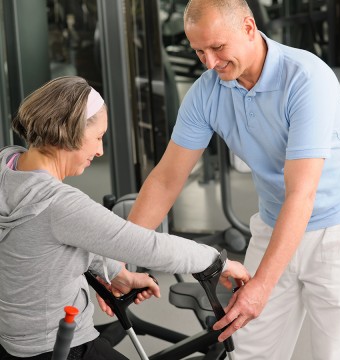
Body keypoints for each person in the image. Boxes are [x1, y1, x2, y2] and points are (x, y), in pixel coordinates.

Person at [127, 0, 340, 359]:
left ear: (249, 28)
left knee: (335, 353)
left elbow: (302, 193)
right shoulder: (207, 91)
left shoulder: (305, 78)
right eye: (199, 51)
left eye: (217, 48)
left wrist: (262, 286)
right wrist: (119, 259)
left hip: (339, 231)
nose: (208, 62)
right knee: (247, 350)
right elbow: (165, 180)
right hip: (273, 223)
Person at [0, 76, 251, 360]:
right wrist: (219, 262)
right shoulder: (60, 205)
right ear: (68, 132)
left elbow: (51, 244)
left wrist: (118, 274)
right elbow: (148, 246)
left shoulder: (8, 170)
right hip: (62, 347)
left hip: (15, 343)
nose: (100, 150)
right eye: (97, 137)